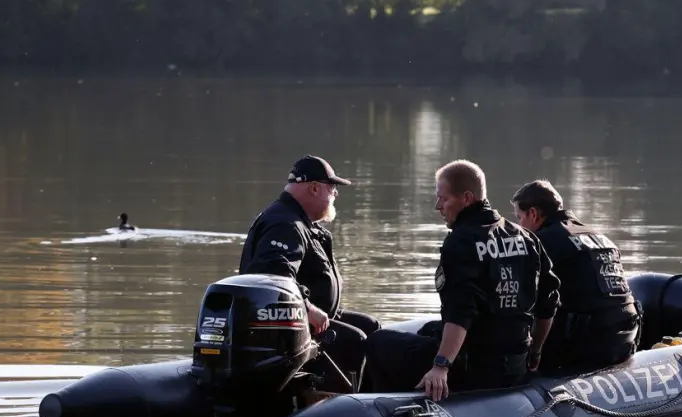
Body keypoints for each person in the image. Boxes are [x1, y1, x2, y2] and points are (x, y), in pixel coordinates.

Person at [363, 160, 560, 400]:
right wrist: (535, 353)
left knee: (376, 342)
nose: (438, 206)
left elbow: (461, 309)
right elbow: (548, 302)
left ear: (466, 198)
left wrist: (441, 366)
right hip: (515, 364)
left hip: (473, 369)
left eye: (443, 199)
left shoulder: (461, 242)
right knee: (428, 329)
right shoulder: (527, 238)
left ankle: (387, 412)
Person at [238, 155, 379, 390]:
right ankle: (340, 409)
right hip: (290, 330)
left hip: (312, 320)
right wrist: (308, 308)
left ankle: (377, 402)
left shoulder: (299, 221)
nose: (335, 194)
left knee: (369, 326)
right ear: (314, 188)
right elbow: (271, 277)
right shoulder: (285, 224)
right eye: (332, 187)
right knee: (354, 339)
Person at [510, 180, 639, 374]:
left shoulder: (541, 242)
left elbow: (528, 302)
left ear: (533, 214)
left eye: (519, 217)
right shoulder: (601, 238)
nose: (520, 225)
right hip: (626, 338)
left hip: (587, 346)